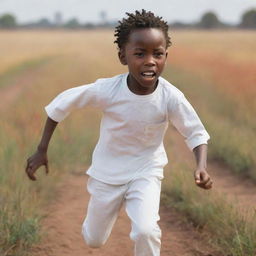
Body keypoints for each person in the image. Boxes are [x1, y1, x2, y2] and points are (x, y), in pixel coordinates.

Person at [26, 9, 212, 256]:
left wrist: (201, 166)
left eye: (157, 54)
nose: (150, 61)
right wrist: (41, 149)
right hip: (107, 174)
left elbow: (196, 133)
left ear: (166, 56)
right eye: (139, 53)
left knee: (146, 231)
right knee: (94, 240)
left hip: (146, 171)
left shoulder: (170, 96)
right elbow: (61, 105)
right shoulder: (107, 90)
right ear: (122, 56)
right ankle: (96, 222)